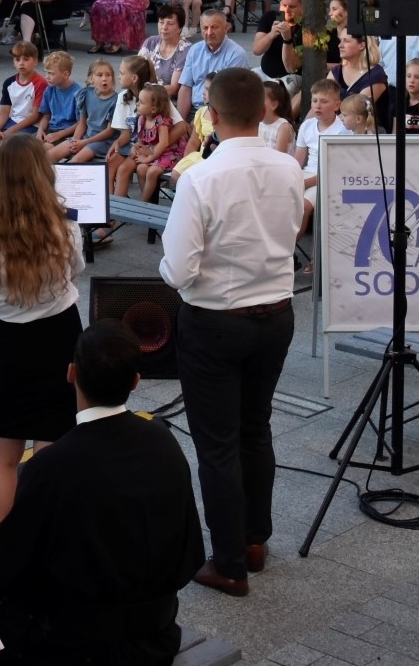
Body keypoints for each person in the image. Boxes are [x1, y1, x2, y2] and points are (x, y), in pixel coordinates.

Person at [160, 67, 303, 596]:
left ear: (212, 116)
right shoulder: (288, 167)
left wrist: (168, 268)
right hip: (276, 313)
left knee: (217, 444)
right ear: (263, 112)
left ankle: (229, 563)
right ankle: (254, 540)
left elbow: (179, 270)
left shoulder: (201, 177)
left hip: (216, 320)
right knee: (255, 428)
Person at [0, 321, 205, 665]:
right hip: (157, 637)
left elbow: (8, 566)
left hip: (73, 647)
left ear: (71, 373)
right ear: (136, 381)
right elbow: (189, 551)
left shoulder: (52, 464)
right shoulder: (165, 443)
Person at [0, 134, 86, 527]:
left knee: (3, 457)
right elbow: (74, 272)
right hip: (60, 339)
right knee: (52, 451)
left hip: (10, 345)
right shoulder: (67, 226)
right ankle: (46, 538)